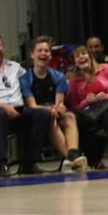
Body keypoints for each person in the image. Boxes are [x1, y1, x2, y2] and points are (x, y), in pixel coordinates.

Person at [0, 32, 52, 177]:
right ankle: (3, 164)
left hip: (18, 112)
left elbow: (31, 85)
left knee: (43, 114)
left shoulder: (15, 67)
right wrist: (4, 107)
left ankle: (28, 163)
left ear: (3, 47)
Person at [20, 36, 87, 172]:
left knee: (70, 117)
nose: (43, 54)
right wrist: (51, 110)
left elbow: (59, 103)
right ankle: (69, 157)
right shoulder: (25, 78)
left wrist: (59, 109)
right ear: (32, 55)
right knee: (49, 117)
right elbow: (32, 105)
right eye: (40, 50)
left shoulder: (58, 77)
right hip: (36, 116)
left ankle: (73, 153)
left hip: (54, 111)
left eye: (46, 51)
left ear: (50, 55)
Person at [68, 45, 108, 169]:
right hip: (90, 112)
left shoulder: (105, 68)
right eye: (77, 56)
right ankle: (95, 161)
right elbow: (75, 106)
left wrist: (107, 96)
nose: (81, 57)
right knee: (81, 120)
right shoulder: (74, 80)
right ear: (75, 62)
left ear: (90, 56)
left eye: (83, 54)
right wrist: (86, 101)